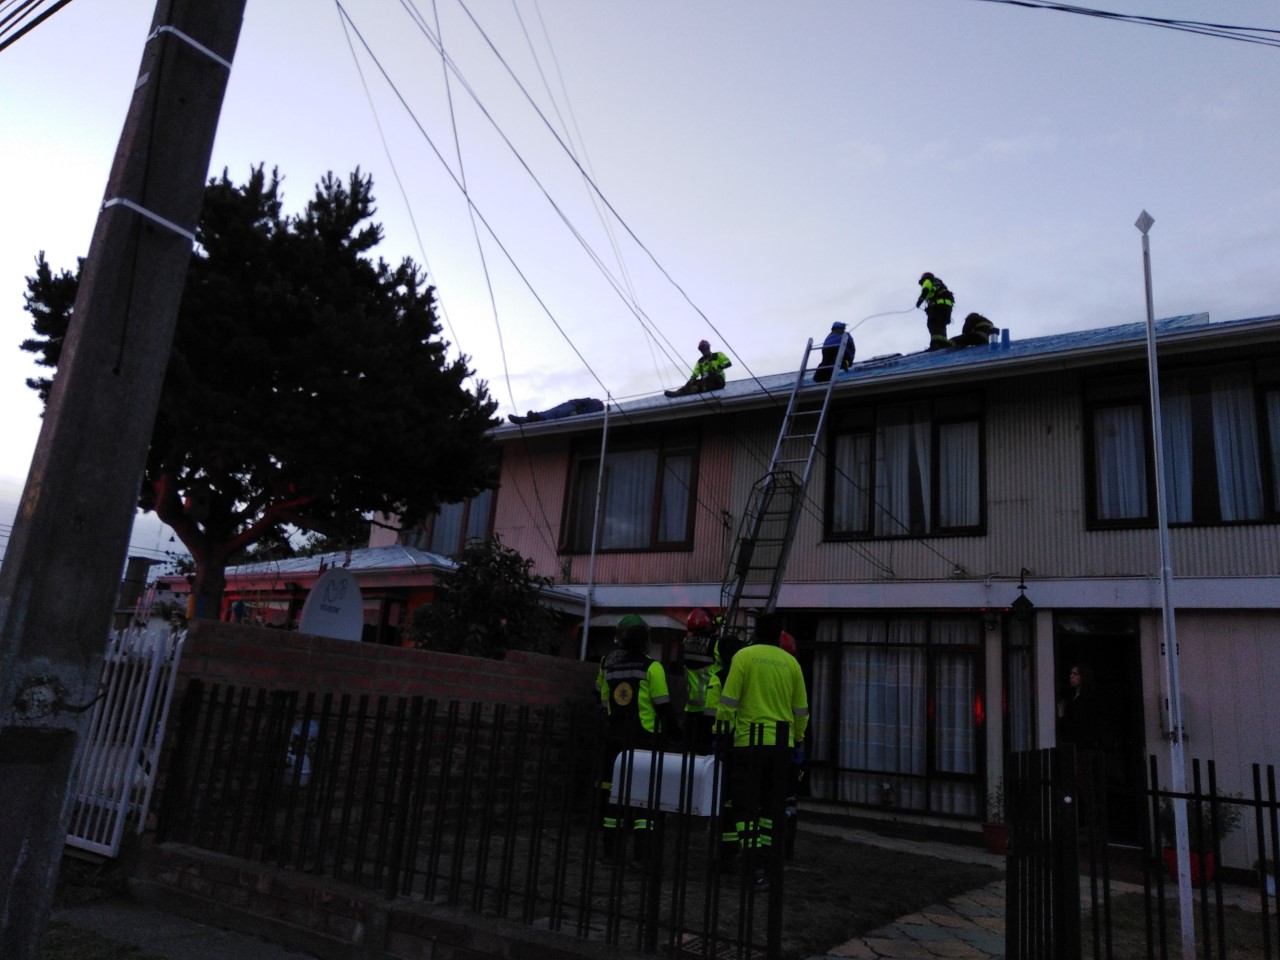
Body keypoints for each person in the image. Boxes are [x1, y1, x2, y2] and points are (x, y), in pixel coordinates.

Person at [715, 612, 808, 888]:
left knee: (745, 805)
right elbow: (801, 711)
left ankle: (751, 863)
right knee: (772, 807)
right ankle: (769, 863)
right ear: (779, 634)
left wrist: (722, 735)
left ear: (755, 631)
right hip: (781, 747)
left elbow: (728, 702)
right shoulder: (791, 664)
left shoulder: (743, 658)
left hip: (747, 744)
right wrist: (797, 740)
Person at [596, 614, 672, 863]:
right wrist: (674, 731)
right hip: (645, 740)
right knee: (645, 800)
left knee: (615, 796)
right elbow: (662, 705)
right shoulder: (652, 667)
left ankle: (611, 852)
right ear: (646, 642)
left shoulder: (611, 667)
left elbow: (603, 700)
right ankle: (643, 855)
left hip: (614, 738)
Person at [681, 607, 722, 753]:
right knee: (708, 754)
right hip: (710, 707)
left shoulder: (686, 643)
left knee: (691, 753)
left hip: (691, 708)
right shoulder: (715, 645)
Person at [664, 340, 731, 397]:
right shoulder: (700, 361)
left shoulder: (718, 355)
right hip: (705, 381)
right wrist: (692, 380)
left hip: (718, 380)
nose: (703, 350)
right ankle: (679, 392)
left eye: (705, 348)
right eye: (701, 349)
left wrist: (718, 367)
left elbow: (728, 362)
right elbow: (695, 372)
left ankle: (697, 388)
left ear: (708, 347)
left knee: (711, 377)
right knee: (693, 382)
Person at [915, 272, 955, 351]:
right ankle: (943, 343)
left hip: (937, 306)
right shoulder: (940, 285)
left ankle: (935, 344)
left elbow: (926, 290)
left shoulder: (928, 281)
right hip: (947, 307)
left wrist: (919, 301)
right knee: (941, 325)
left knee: (934, 324)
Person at [508, 397, 604, 425]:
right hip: (573, 405)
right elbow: (584, 404)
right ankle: (525, 419)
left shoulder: (597, 406)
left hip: (573, 406)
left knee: (555, 413)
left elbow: (586, 413)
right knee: (552, 412)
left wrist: (577, 411)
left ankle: (529, 419)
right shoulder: (594, 403)